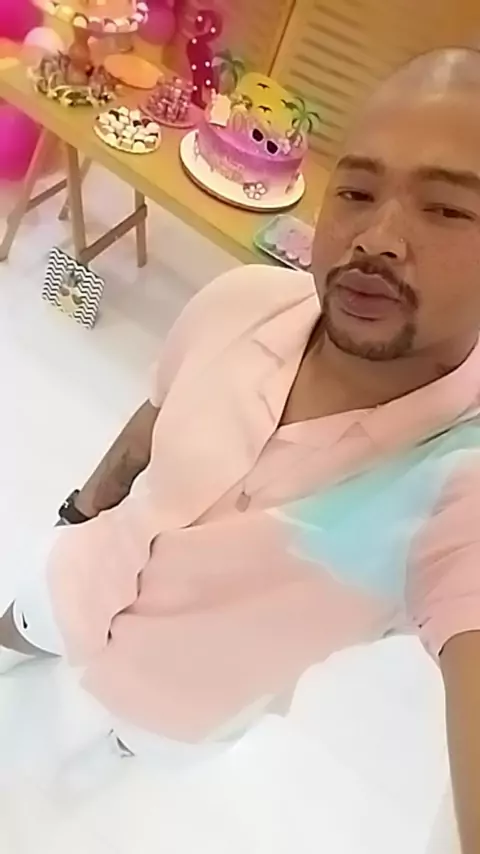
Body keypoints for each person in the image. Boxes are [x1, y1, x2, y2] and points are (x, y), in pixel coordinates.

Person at [2, 45, 480, 849]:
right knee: (25, 619)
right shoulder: (242, 299)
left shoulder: (457, 488)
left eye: (446, 209)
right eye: (357, 192)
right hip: (81, 577)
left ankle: (116, 749)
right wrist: (79, 513)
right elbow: (146, 428)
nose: (378, 238)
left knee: (131, 749)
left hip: (187, 708)